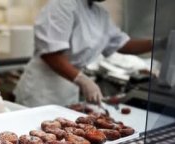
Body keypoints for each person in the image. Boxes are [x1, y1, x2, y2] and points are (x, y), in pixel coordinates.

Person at [14, 0, 157, 107]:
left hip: (69, 87)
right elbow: (50, 54)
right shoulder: (63, 4)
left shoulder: (100, 13)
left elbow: (121, 43)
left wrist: (158, 43)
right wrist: (83, 80)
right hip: (43, 88)